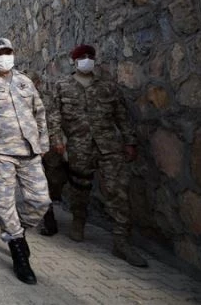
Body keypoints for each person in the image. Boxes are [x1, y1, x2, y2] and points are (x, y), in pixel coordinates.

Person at [48, 44, 148, 267]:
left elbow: (121, 116)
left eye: (89, 56)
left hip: (109, 146)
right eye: (81, 57)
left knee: (117, 191)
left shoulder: (108, 87)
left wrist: (129, 141)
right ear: (74, 61)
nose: (86, 59)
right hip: (79, 146)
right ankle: (78, 221)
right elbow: (54, 115)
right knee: (80, 187)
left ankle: (121, 242)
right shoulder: (62, 86)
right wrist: (57, 140)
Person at [0, 38, 50, 285]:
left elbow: (39, 112)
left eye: (8, 52)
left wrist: (43, 143)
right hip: (0, 153)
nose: (4, 56)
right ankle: (18, 250)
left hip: (29, 150)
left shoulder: (24, 81)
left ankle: (19, 229)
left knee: (41, 199)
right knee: (4, 204)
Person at [24, 71, 67, 237]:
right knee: (37, 185)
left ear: (38, 83)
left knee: (52, 182)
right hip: (27, 149)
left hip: (47, 148)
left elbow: (55, 119)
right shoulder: (15, 98)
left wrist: (56, 141)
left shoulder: (48, 97)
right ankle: (49, 220)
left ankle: (46, 212)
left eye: (32, 81)